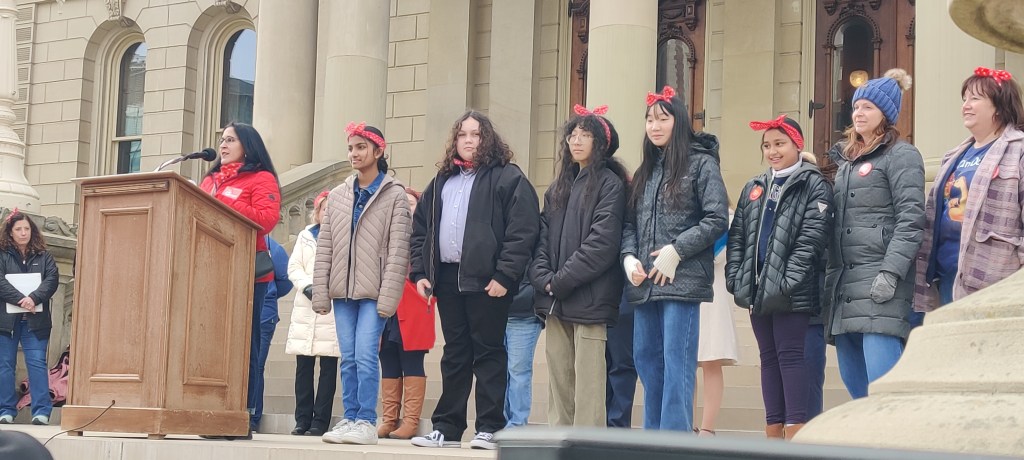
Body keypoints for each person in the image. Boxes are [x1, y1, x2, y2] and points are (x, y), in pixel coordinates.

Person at [409, 111, 540, 450]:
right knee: (455, 354)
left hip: (488, 282)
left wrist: (505, 275)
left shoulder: (508, 178)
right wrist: (420, 273)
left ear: (488, 139)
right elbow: (420, 229)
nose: (468, 140)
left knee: (489, 353)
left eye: (476, 134)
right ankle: (448, 428)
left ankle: (489, 427)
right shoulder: (441, 180)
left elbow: (523, 231)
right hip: (449, 280)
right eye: (463, 134)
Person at [621, 86, 729, 432]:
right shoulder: (646, 172)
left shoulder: (701, 164)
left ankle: (673, 442)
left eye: (662, 119)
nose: (654, 126)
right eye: (650, 120)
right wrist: (629, 259)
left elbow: (716, 218)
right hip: (645, 285)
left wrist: (677, 250)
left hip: (682, 283)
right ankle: (654, 439)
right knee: (647, 363)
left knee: (677, 365)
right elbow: (629, 224)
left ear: (678, 122)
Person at [727, 115, 833, 440]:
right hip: (758, 292)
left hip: (792, 292)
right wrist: (737, 278)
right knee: (768, 359)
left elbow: (812, 238)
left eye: (780, 144)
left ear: (797, 145)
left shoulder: (813, 182)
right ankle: (773, 431)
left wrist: (787, 281)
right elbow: (738, 237)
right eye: (767, 145)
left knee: (790, 357)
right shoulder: (755, 186)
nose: (773, 151)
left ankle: (796, 430)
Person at [824, 69, 924, 399]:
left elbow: (911, 220)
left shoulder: (902, 155)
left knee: (886, 396)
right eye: (856, 107)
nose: (859, 113)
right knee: (858, 396)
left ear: (886, 114)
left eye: (868, 107)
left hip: (882, 286)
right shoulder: (847, 163)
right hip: (845, 288)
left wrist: (890, 272)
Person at [313, 123, 411, 446]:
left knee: (367, 354)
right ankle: (350, 416)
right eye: (351, 148)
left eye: (361, 147)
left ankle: (367, 419)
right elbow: (325, 244)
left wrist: (389, 298)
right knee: (349, 356)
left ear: (378, 151)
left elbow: (399, 252)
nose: (354, 154)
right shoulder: (339, 196)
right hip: (342, 291)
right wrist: (321, 291)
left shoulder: (394, 195)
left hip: (374, 292)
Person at [531, 104, 628, 427]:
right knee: (559, 378)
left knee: (588, 383)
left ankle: (587, 444)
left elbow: (601, 244)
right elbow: (541, 239)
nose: (576, 141)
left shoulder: (611, 185)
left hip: (590, 299)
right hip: (556, 299)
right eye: (572, 135)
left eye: (585, 135)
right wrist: (543, 277)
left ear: (601, 143)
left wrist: (558, 281)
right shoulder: (559, 187)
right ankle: (559, 442)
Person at [915, 67, 1024, 313]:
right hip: (947, 276)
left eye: (975, 98)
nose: (966, 105)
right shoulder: (953, 156)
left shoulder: (1019, 150)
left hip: (995, 279)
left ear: (998, 105)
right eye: (964, 99)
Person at [199, 121, 281, 439]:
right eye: (221, 139)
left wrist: (224, 200)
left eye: (230, 139)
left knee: (244, 348)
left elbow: (265, 219)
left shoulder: (261, 178)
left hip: (246, 273)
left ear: (247, 145)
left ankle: (242, 416)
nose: (222, 145)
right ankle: (211, 413)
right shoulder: (210, 180)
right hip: (207, 272)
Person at [378, 187, 435, 440]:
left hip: (414, 301)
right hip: (387, 302)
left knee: (411, 360)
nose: (405, 207)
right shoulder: (386, 232)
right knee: (387, 359)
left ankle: (410, 421)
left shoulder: (425, 235)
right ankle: (389, 419)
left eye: (410, 203)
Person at [286, 190, 340, 437]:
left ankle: (320, 421)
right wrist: (308, 286)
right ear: (317, 212)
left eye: (332, 208)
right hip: (305, 307)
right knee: (303, 367)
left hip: (332, 307)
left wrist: (327, 289)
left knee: (329, 367)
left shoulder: (344, 236)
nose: (327, 212)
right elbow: (294, 266)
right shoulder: (305, 236)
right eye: (323, 208)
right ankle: (302, 419)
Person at [0, 211, 59, 425]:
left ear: (32, 231)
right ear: (10, 232)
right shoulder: (2, 254)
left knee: (36, 363)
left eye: (27, 228)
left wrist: (33, 298)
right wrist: (22, 300)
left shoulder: (44, 255)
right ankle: (5, 410)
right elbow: (1, 283)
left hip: (35, 321)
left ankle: (41, 411)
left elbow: (51, 280)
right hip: (6, 322)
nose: (23, 233)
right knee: (5, 365)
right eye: (18, 229)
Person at [694, 231, 739, 437]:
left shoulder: (726, 219)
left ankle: (707, 429)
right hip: (687, 292)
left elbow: (716, 254)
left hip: (714, 297)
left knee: (711, 361)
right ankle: (686, 423)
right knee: (685, 365)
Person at [252, 235, 292, 431]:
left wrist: (271, 293)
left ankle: (252, 416)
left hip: (265, 312)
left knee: (256, 365)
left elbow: (286, 280)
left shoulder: (272, 247)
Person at [504, 262, 541, 428]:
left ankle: (517, 425)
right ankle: (497, 424)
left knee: (518, 371)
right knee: (496, 371)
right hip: (493, 309)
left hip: (524, 313)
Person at [605, 294, 637, 428]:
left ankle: (617, 427)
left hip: (623, 298)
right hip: (599, 300)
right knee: (600, 368)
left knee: (622, 366)